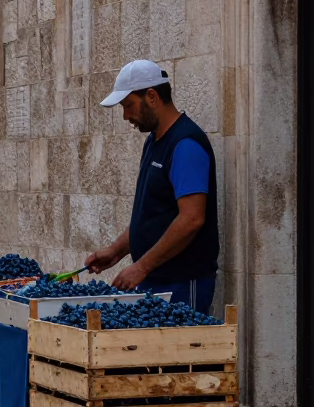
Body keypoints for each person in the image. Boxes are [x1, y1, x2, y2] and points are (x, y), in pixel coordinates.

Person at [85, 60, 219, 314]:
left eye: (128, 106)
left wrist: (141, 266)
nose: (125, 116)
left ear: (152, 96)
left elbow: (192, 218)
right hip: (156, 283)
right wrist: (116, 251)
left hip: (181, 284)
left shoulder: (186, 144)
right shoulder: (153, 142)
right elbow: (152, 214)